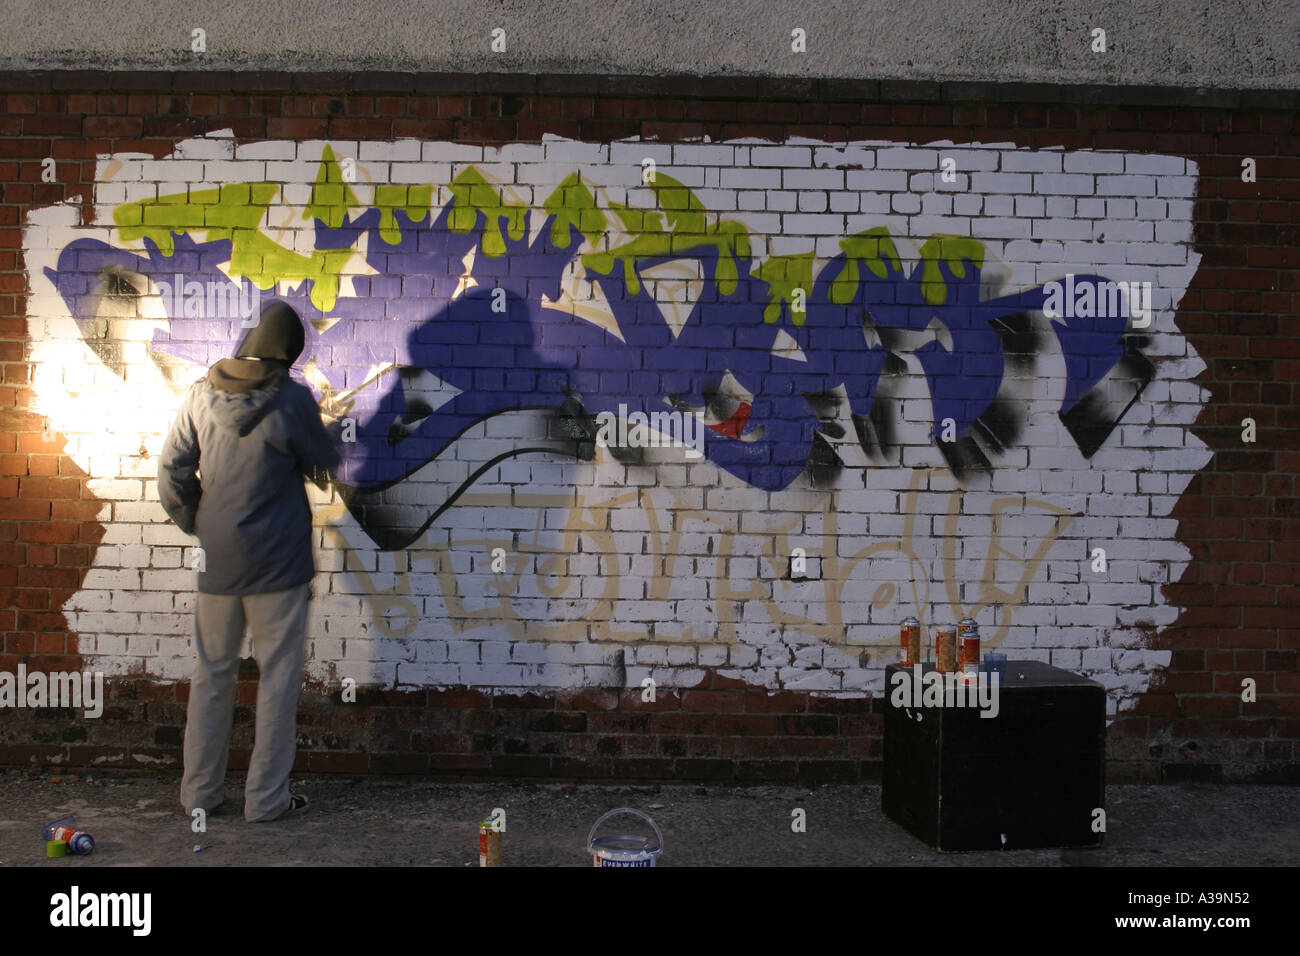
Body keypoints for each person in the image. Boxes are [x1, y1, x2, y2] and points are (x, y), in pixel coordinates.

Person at [158, 301, 341, 822]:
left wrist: (203, 523)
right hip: (278, 562)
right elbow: (325, 461)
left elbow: (171, 472)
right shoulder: (292, 399)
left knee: (212, 674)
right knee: (277, 680)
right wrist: (327, 428)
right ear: (288, 353)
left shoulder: (198, 395)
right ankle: (265, 801)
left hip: (218, 560)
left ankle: (199, 795)